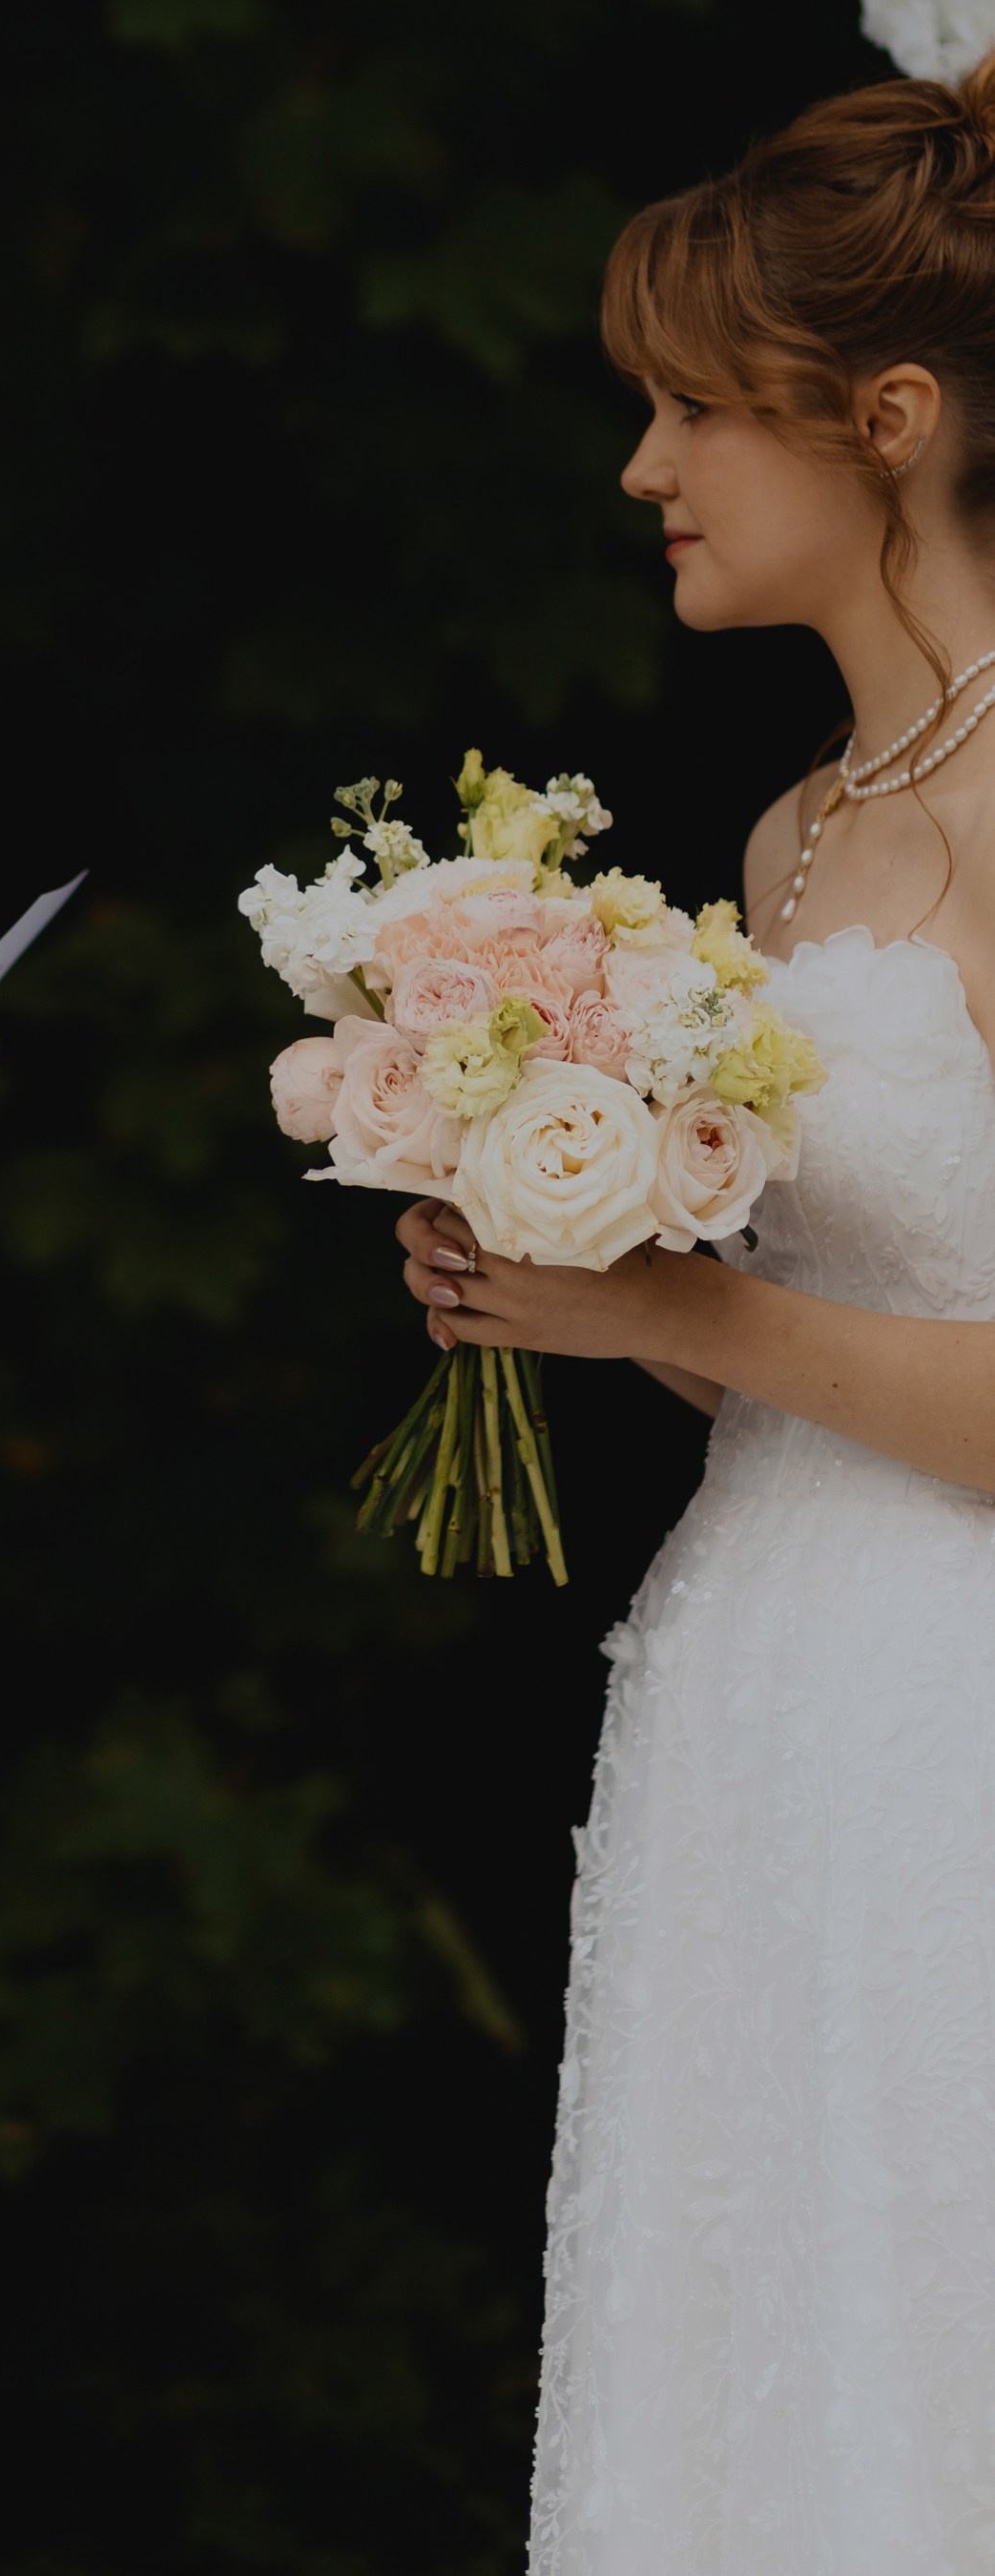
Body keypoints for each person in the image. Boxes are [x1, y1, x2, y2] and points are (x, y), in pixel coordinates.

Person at [395, 52, 995, 2575]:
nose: (642, 471)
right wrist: (568, 1288)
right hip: (746, 1683)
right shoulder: (800, 824)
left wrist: (688, 1314)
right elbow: (796, 1299)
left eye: (683, 411)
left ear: (884, 419)